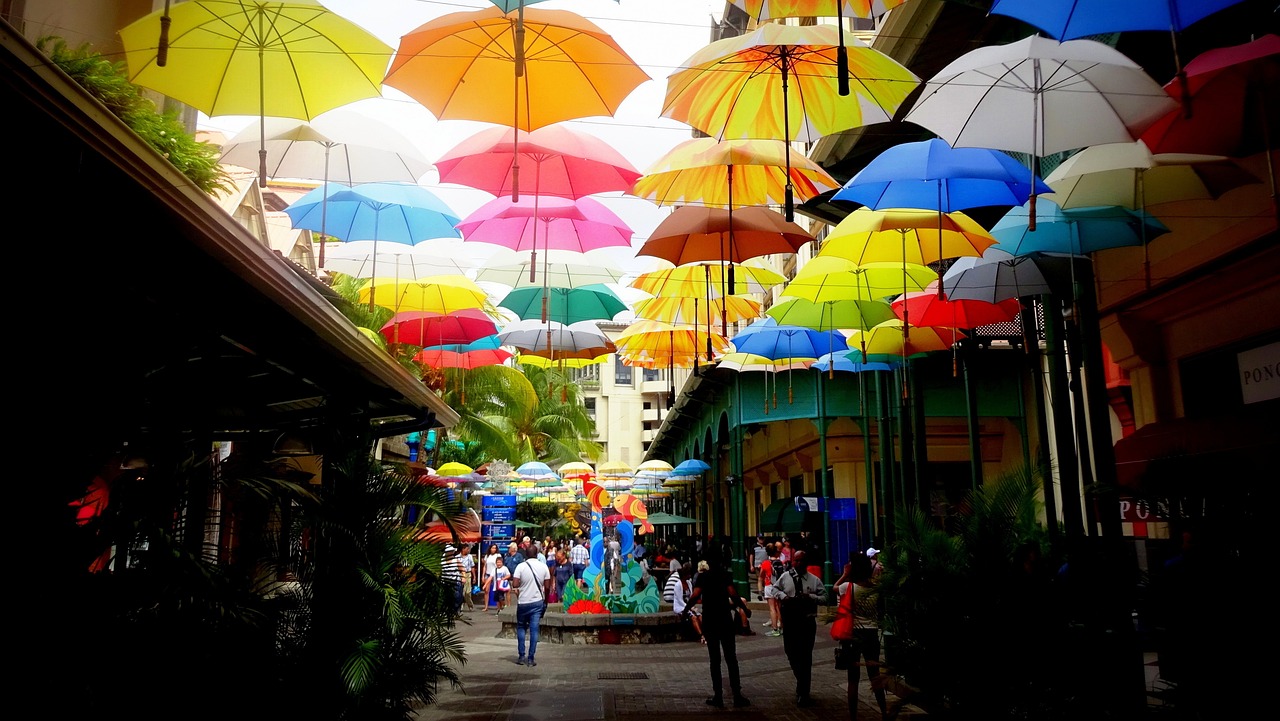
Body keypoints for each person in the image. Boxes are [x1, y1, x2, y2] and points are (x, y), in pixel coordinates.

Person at [682, 545, 750, 709]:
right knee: (731, 658)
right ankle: (737, 695)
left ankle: (718, 695)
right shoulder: (725, 575)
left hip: (710, 620)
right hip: (725, 619)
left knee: (715, 660)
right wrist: (744, 608)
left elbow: (695, 595)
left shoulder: (703, 577)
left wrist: (685, 609)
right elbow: (733, 593)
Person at [832, 552, 888, 720]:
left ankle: (853, 715)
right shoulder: (875, 590)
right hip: (871, 633)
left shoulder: (847, 587)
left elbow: (834, 587)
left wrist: (844, 574)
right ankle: (884, 712)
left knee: (853, 678)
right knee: (875, 675)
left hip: (853, 634)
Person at [773, 548, 824, 707]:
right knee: (791, 651)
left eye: (801, 560)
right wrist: (783, 597)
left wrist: (811, 597)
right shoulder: (785, 577)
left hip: (806, 622)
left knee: (805, 656)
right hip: (790, 621)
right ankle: (800, 679)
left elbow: (825, 597)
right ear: (793, 561)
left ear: (806, 562)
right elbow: (774, 589)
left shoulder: (814, 580)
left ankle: (804, 691)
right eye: (796, 560)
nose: (798, 563)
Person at [510, 543, 552, 667]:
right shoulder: (543, 567)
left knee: (521, 627)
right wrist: (546, 601)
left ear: (526, 554)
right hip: (537, 602)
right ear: (537, 554)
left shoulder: (520, 567)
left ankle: (521, 655)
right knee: (534, 630)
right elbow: (548, 587)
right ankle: (531, 658)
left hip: (523, 602)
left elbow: (516, 584)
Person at [671, 564, 703, 643]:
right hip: (680, 607)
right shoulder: (678, 585)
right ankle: (701, 635)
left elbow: (692, 596)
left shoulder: (689, 583)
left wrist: (692, 606)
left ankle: (706, 633)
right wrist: (689, 607)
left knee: (700, 616)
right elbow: (680, 600)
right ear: (684, 575)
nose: (689, 576)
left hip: (689, 605)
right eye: (688, 574)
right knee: (693, 617)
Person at [762, 544, 785, 636]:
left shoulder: (765, 563)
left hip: (769, 585)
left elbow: (761, 576)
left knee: (772, 608)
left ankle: (775, 628)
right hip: (778, 586)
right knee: (779, 607)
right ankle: (781, 626)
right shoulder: (780, 563)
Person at [482, 543, 501, 610]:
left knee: (497, 590)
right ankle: (486, 606)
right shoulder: (487, 556)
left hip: (495, 574)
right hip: (488, 574)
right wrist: (483, 575)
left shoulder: (498, 555)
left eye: (495, 548)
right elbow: (485, 566)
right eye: (492, 548)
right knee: (486, 591)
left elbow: (499, 564)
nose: (493, 549)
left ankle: (498, 606)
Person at [458, 543, 476, 612]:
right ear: (463, 549)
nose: (468, 550)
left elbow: (472, 567)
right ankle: (460, 605)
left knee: (467, 592)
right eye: (467, 549)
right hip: (460, 574)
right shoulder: (457, 557)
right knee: (461, 591)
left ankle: (470, 604)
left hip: (468, 574)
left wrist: (474, 577)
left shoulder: (470, 557)